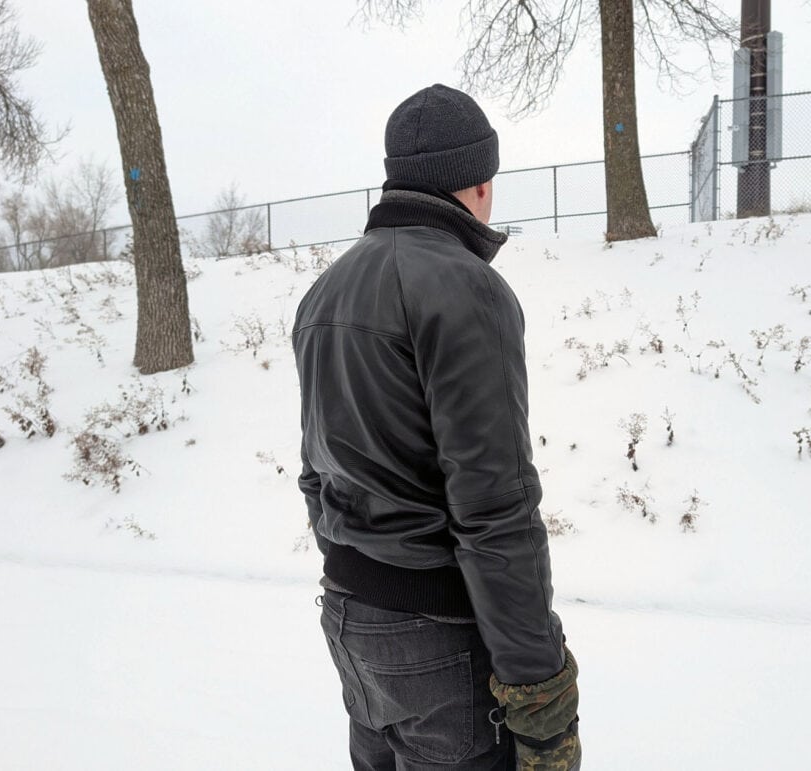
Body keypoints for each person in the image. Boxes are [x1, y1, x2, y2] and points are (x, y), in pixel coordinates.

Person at [293, 84, 581, 770]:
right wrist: (540, 690)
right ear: (479, 183)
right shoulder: (467, 288)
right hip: (439, 640)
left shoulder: (323, 292)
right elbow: (495, 511)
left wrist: (359, 580)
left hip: (350, 618)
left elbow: (314, 473)